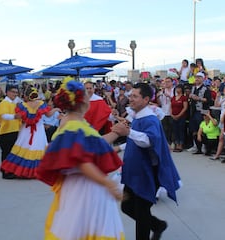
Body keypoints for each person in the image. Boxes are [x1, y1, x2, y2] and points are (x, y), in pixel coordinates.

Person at [36, 78, 127, 240]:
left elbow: (91, 145)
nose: (90, 95)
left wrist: (117, 135)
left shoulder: (74, 122)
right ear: (82, 100)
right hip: (85, 189)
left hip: (81, 187)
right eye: (87, 93)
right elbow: (82, 161)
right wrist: (108, 184)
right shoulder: (73, 125)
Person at [120, 82, 181, 240]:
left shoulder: (150, 119)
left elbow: (149, 141)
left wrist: (128, 132)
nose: (131, 99)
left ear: (146, 99)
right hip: (135, 171)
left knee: (141, 211)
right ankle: (157, 225)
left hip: (147, 173)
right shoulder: (138, 116)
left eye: (135, 96)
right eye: (130, 95)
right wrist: (120, 147)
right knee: (127, 206)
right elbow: (136, 141)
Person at [0, 86, 60, 179]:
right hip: (38, 130)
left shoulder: (22, 105)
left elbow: (20, 117)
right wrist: (56, 109)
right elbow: (48, 115)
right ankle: (37, 172)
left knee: (22, 149)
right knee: (38, 148)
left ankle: (20, 171)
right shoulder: (41, 104)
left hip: (25, 130)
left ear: (27, 96)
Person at [0, 85, 21, 179]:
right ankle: (6, 172)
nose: (15, 94)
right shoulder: (4, 103)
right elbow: (3, 115)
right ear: (7, 92)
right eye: (13, 92)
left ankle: (8, 170)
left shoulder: (13, 103)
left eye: (16, 92)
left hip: (13, 130)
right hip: (6, 132)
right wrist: (14, 117)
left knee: (10, 153)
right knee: (6, 153)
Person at [170, 84, 188, 152]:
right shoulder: (173, 97)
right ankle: (176, 143)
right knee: (175, 130)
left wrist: (179, 115)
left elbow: (185, 107)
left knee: (181, 130)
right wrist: (171, 114)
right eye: (176, 88)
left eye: (179, 88)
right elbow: (171, 106)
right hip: (174, 116)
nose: (177, 90)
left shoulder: (183, 98)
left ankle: (181, 144)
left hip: (181, 117)